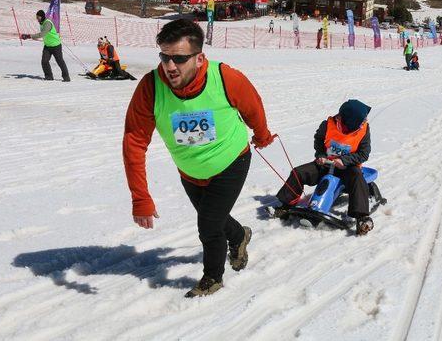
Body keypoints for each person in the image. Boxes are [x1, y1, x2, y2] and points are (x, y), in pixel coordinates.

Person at [123, 19, 275, 298]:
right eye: (164, 57)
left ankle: (212, 278)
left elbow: (253, 106)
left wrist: (262, 135)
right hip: (190, 171)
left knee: (208, 225)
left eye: (179, 59)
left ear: (199, 57)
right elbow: (134, 141)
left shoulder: (226, 77)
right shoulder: (151, 87)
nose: (169, 66)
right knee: (213, 218)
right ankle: (239, 235)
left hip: (231, 161)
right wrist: (140, 197)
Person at [272, 100, 374, 236]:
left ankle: (361, 218)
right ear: (351, 121)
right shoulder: (327, 125)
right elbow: (319, 140)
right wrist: (320, 155)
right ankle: (285, 206)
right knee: (299, 172)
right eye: (361, 120)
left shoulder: (364, 130)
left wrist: (344, 160)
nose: (364, 121)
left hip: (348, 167)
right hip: (325, 164)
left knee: (357, 178)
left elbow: (363, 154)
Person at [20, 10, 70, 82]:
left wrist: (28, 36)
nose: (37, 19)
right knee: (44, 61)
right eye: (36, 17)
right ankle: (49, 76)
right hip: (47, 46)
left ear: (42, 16)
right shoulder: (42, 23)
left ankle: (66, 77)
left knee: (60, 61)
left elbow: (42, 34)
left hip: (56, 46)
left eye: (38, 17)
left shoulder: (47, 23)